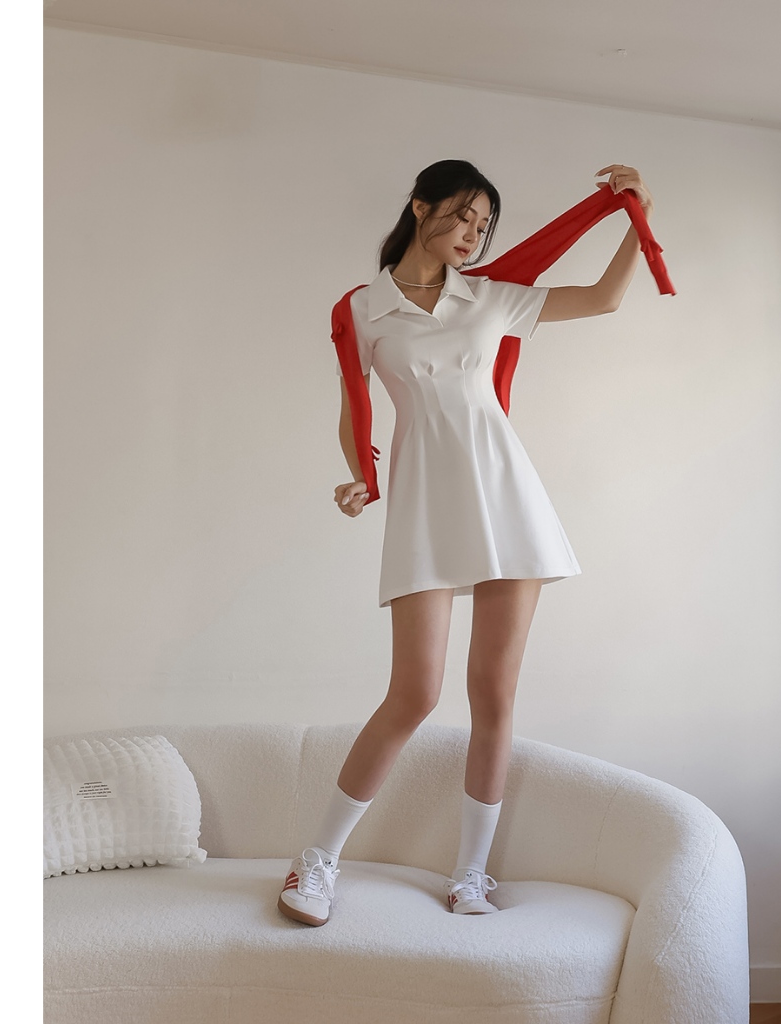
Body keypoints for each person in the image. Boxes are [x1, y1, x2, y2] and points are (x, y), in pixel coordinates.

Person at [278, 159, 655, 926]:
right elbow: (354, 406)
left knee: (493, 693)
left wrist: (637, 217)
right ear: (421, 207)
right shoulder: (363, 309)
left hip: (508, 499)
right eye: (464, 214)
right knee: (414, 694)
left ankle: (472, 875)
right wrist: (361, 477)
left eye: (485, 225)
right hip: (425, 505)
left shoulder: (489, 298)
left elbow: (605, 298)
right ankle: (316, 863)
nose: (474, 234)